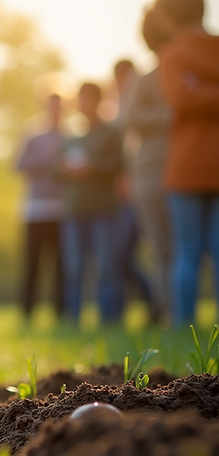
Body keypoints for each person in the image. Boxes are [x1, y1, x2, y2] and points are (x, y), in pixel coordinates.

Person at [152, 0, 219, 325]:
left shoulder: (172, 55)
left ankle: (183, 325)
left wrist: (198, 89)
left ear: (167, 17)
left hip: (186, 165)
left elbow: (181, 98)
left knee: (187, 250)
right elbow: (183, 97)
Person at [122, 9, 176, 326]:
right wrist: (171, 115)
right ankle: (171, 312)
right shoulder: (145, 77)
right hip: (153, 173)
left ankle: (174, 312)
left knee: (170, 249)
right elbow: (128, 119)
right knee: (164, 249)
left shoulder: (147, 77)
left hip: (172, 171)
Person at [58, 83, 124, 325]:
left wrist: (92, 166)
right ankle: (73, 319)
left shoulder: (111, 132)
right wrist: (65, 168)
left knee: (106, 267)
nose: (82, 104)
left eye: (87, 99)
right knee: (73, 269)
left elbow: (119, 163)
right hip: (74, 210)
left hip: (104, 210)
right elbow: (55, 168)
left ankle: (109, 319)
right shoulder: (72, 134)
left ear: (97, 101)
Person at [109, 59, 154, 322]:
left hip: (141, 188)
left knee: (147, 252)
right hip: (124, 194)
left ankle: (157, 305)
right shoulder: (116, 108)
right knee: (122, 256)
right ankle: (149, 304)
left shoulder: (138, 101)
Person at [15, 93, 65, 321]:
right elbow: (18, 165)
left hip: (63, 210)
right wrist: (46, 158)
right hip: (35, 210)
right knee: (32, 265)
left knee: (61, 267)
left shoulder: (72, 135)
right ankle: (27, 313)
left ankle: (61, 313)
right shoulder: (32, 134)